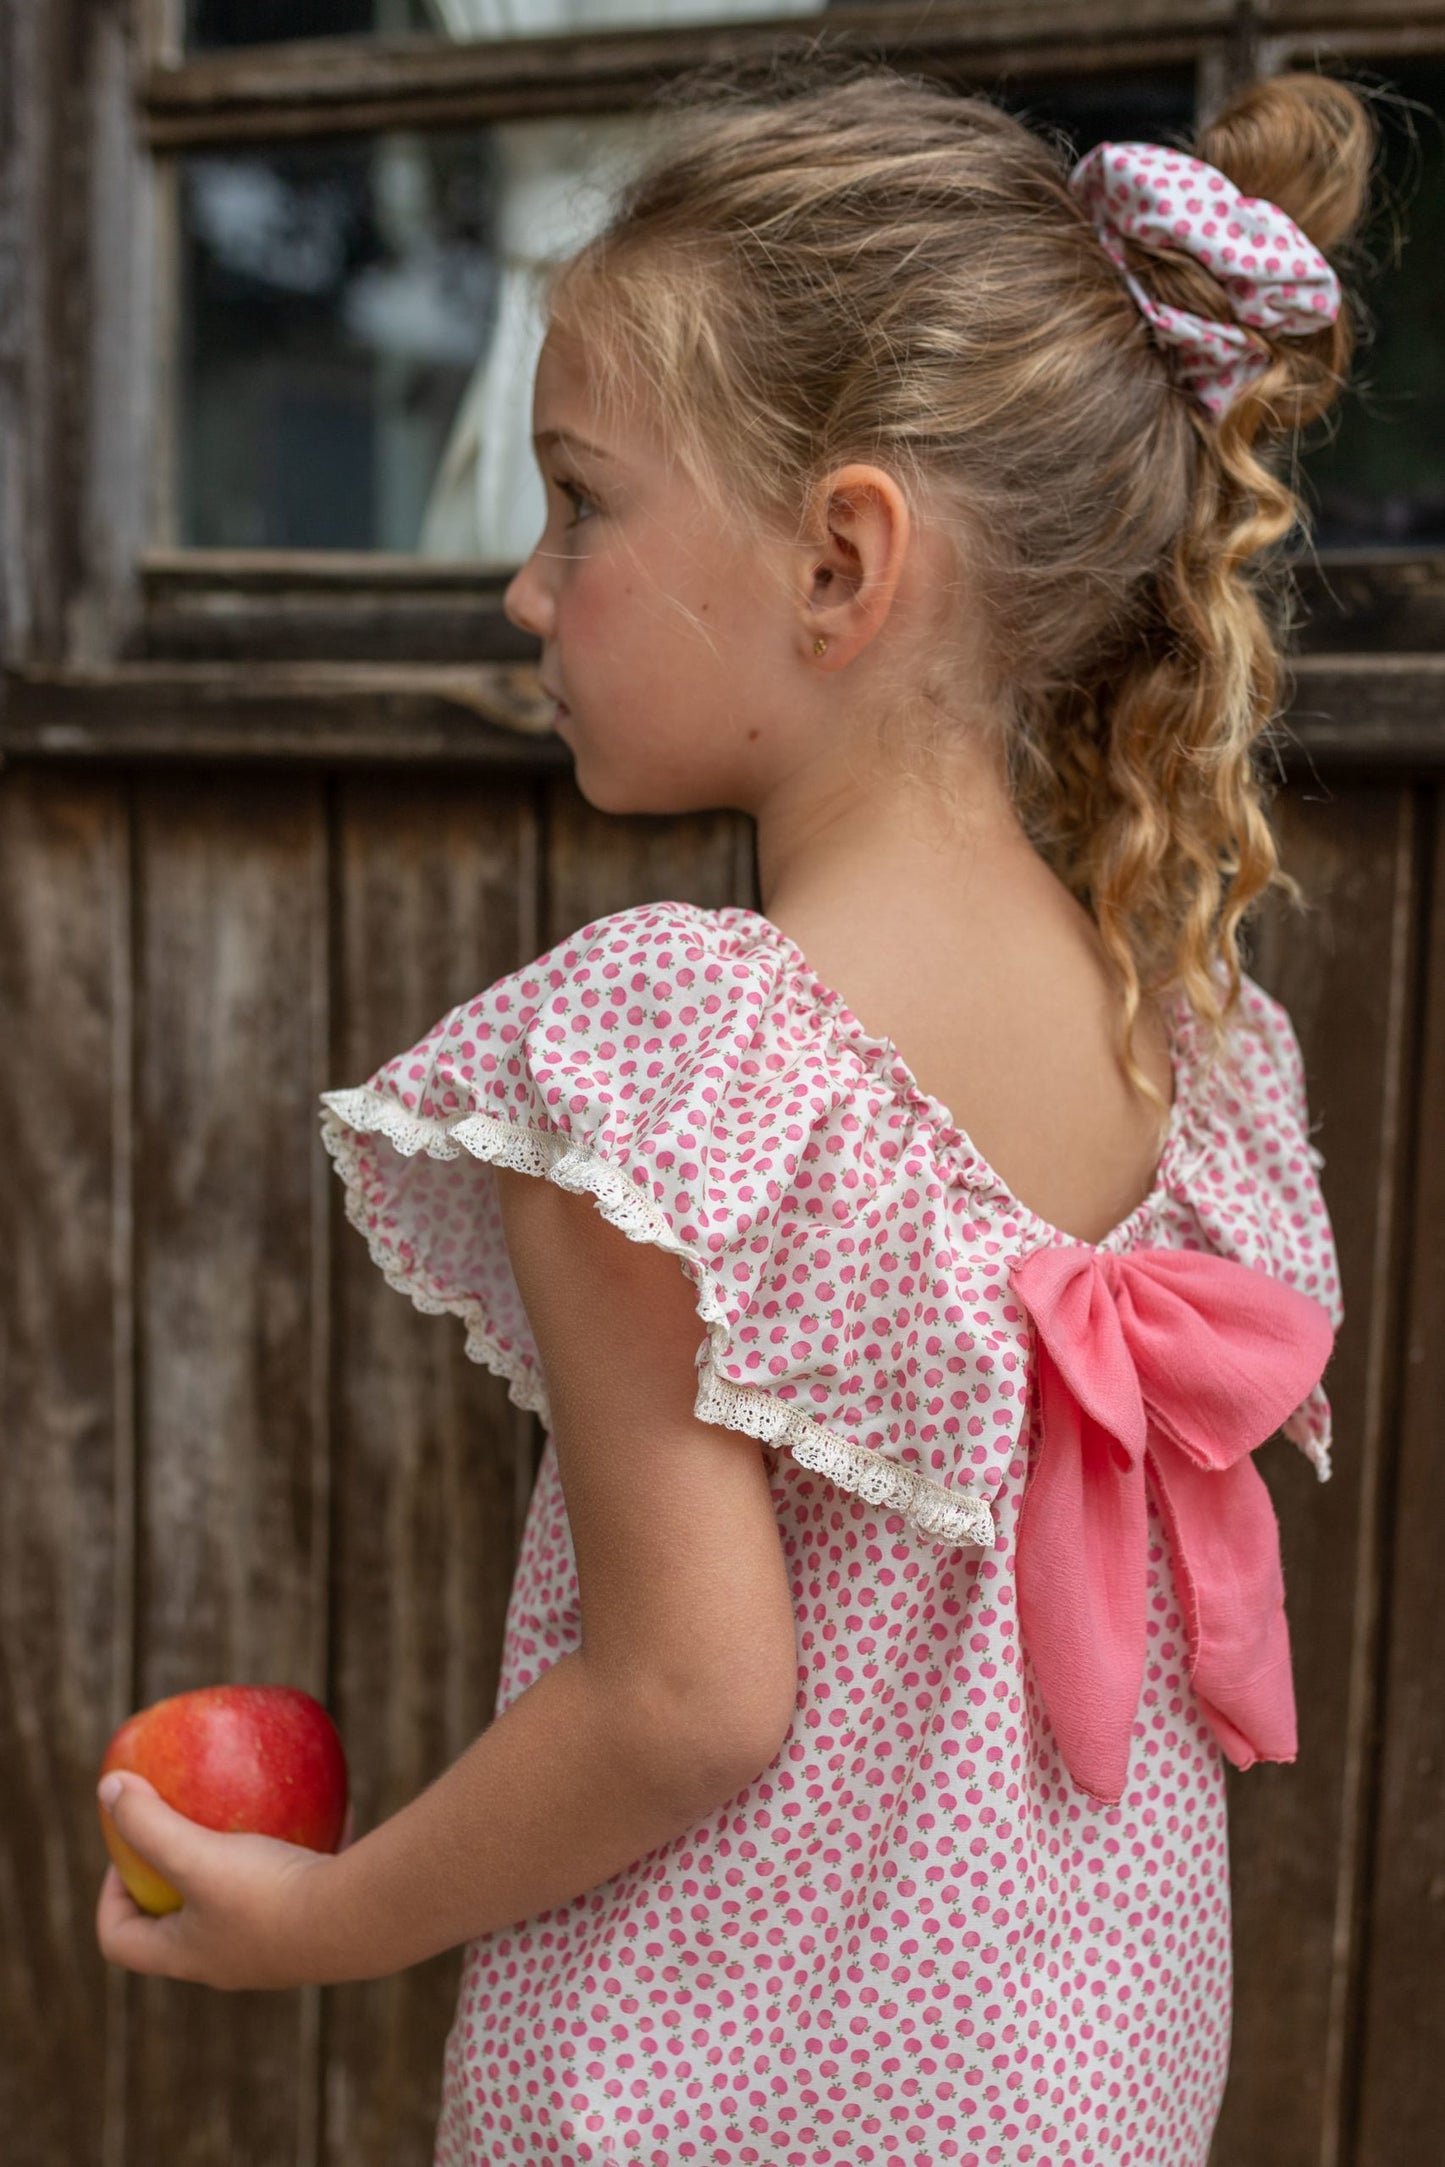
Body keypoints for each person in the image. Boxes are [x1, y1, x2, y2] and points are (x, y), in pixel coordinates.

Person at [93, 48, 1362, 2167]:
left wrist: (324, 1916)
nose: (529, 583)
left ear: (845, 564)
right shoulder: (1186, 1040)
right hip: (1086, 2085)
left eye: (581, 498)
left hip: (731, 2099)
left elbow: (690, 1700)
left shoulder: (684, 1069)